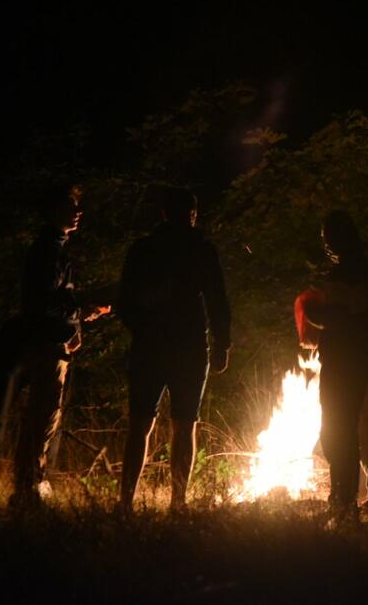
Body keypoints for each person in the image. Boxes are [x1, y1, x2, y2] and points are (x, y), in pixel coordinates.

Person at [0, 184, 109, 506]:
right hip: (46, 345)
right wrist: (80, 312)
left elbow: (56, 300)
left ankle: (31, 483)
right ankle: (26, 488)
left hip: (54, 342)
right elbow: (43, 303)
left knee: (46, 415)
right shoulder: (48, 250)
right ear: (52, 212)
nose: (78, 212)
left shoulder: (56, 248)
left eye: (77, 206)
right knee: (43, 415)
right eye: (70, 207)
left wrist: (76, 324)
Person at [117, 188, 231, 514]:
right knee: (183, 423)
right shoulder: (200, 249)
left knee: (144, 422)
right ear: (191, 215)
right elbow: (217, 299)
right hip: (188, 347)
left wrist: (142, 327)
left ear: (164, 213)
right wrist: (223, 343)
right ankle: (176, 503)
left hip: (155, 346)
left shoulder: (144, 249)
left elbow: (124, 302)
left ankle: (127, 502)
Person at [297, 211, 368, 525]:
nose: (325, 242)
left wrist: (310, 309)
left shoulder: (350, 272)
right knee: (343, 428)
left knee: (338, 430)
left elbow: (337, 317)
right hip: (357, 360)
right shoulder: (367, 269)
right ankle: (345, 498)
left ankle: (344, 501)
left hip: (345, 362)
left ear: (339, 237)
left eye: (328, 236)